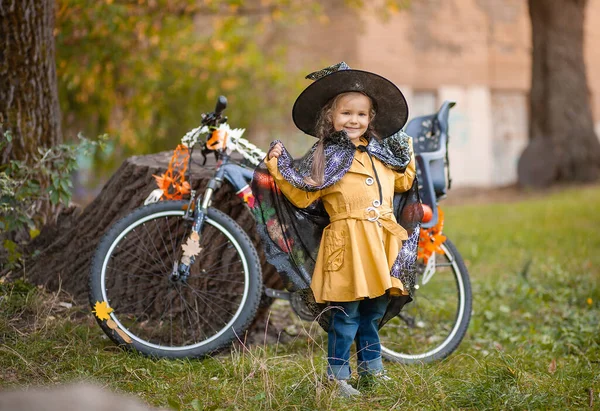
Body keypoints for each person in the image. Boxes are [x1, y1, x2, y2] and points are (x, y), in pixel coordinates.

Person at [251, 62, 422, 397]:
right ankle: (337, 377)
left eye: (361, 114)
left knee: (373, 310)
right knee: (347, 313)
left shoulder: (382, 154)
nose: (354, 120)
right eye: (346, 113)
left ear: (371, 118)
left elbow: (404, 181)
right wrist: (278, 164)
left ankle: (372, 369)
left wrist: (406, 149)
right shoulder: (326, 156)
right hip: (347, 245)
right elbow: (302, 193)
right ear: (331, 116)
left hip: (381, 242)